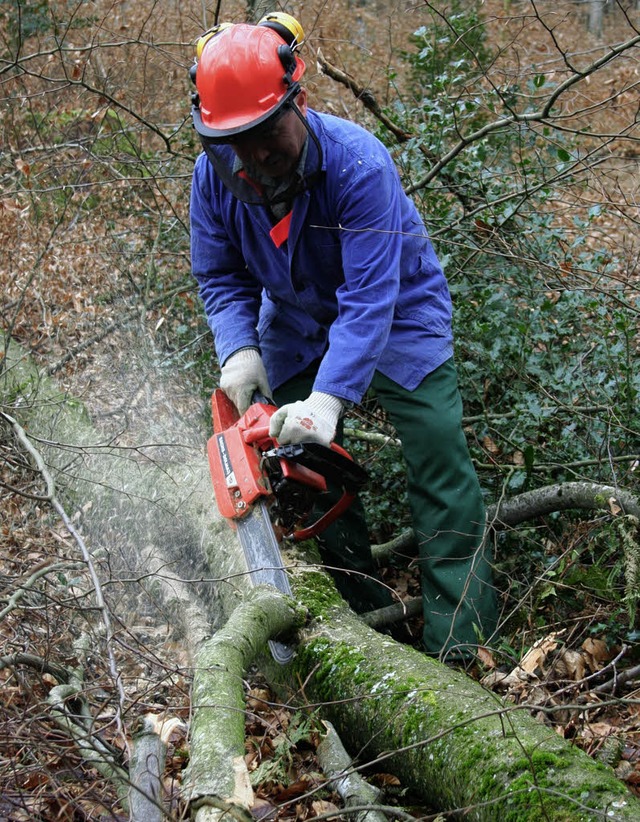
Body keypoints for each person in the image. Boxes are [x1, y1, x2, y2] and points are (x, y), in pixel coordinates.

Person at [188, 13, 498, 660]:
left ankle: (463, 646)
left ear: (298, 102)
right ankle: (362, 621)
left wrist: (328, 403)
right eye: (237, 140)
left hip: (398, 311)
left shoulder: (358, 164)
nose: (255, 156)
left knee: (440, 463)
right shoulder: (214, 176)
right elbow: (219, 274)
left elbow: (369, 300)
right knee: (301, 471)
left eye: (267, 134)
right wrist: (239, 350)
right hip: (296, 322)